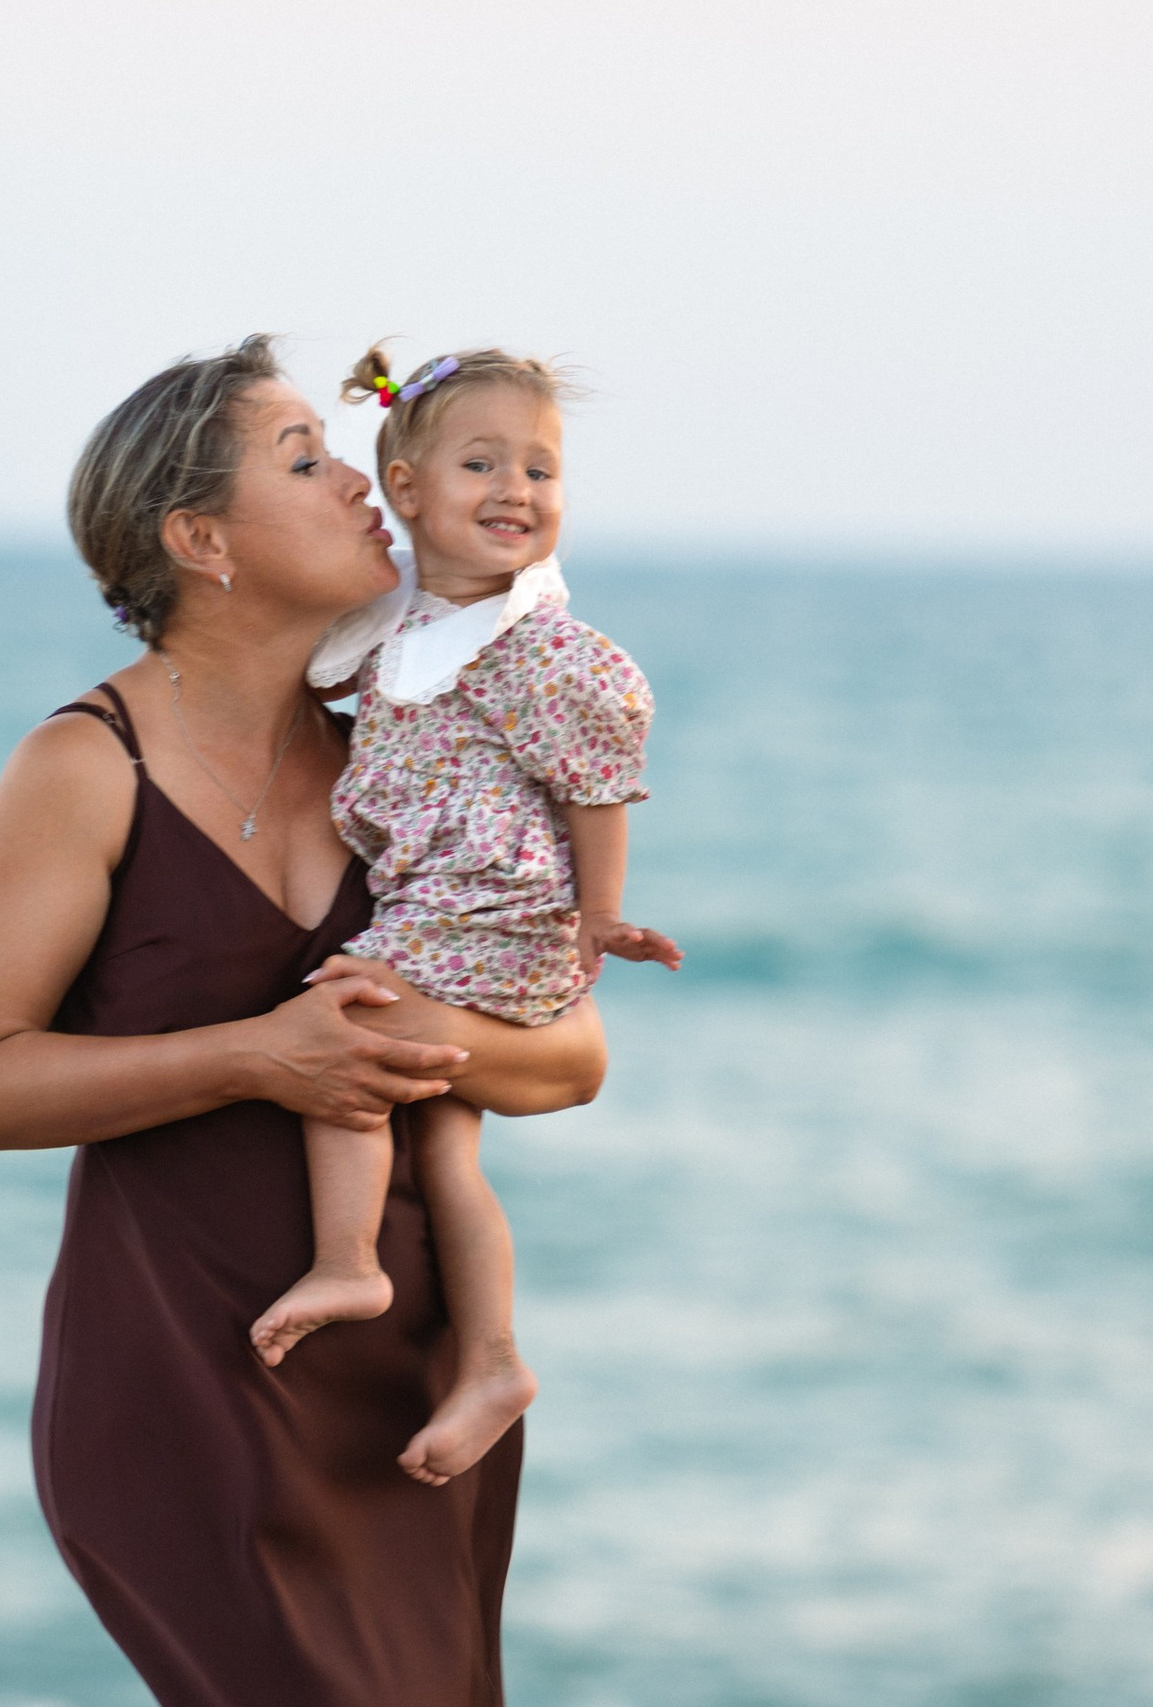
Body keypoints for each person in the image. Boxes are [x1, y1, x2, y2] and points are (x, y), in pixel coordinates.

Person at [0, 335, 607, 1707]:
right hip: (183, 1382)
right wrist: (254, 1056)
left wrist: (387, 1043)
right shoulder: (84, 764)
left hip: (412, 1390)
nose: (360, 482)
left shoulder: (412, 747)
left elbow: (574, 1057)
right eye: (304, 458)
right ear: (200, 538)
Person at [247, 345, 682, 1487]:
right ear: (404, 490)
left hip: (498, 924)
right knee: (444, 1147)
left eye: (540, 470)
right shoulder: (403, 638)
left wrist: (602, 916)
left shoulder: (534, 649)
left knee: (346, 1017)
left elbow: (595, 784)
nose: (517, 490)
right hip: (441, 918)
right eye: (481, 462)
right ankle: (491, 1360)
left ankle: (347, 1259)